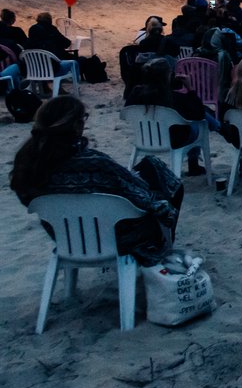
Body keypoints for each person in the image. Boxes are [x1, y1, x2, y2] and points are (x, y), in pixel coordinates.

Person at [11, 96, 184, 265]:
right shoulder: (96, 163)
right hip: (118, 238)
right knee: (159, 176)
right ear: (77, 126)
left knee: (147, 168)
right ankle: (163, 250)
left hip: (68, 239)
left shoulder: (27, 164)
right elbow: (143, 197)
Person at [125, 58, 214, 176]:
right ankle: (194, 163)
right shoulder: (173, 97)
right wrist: (190, 88)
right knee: (196, 120)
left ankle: (219, 126)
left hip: (143, 138)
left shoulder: (136, 93)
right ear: (168, 76)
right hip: (175, 140)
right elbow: (199, 114)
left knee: (194, 114)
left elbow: (127, 111)